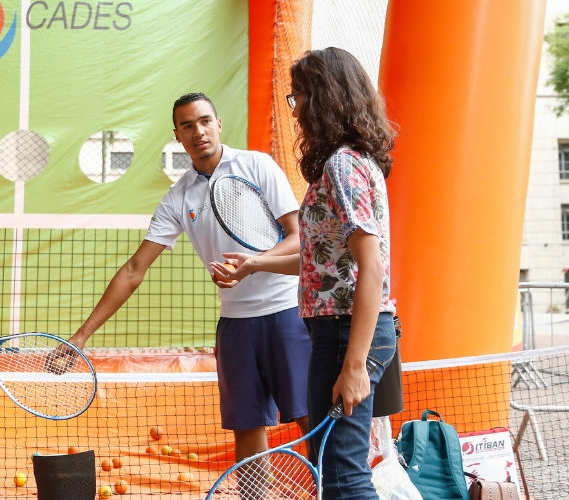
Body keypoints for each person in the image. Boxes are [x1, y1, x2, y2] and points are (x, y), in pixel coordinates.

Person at [66, 92, 311, 464]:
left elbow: (298, 237)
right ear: (177, 136)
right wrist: (81, 336)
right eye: (187, 126)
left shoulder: (257, 165)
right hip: (235, 325)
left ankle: (333, 489)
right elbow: (134, 270)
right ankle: (254, 493)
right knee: (247, 429)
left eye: (205, 121)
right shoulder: (178, 197)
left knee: (310, 420)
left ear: (218, 124)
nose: (199, 132)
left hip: (286, 312)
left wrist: (253, 263)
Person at [212, 47, 397, 499]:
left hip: (347, 332)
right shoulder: (354, 161)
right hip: (340, 331)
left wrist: (354, 364)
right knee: (333, 469)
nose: (296, 111)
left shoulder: (342, 166)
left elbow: (371, 265)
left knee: (344, 476)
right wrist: (255, 264)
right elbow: (321, 261)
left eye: (299, 97)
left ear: (324, 96)